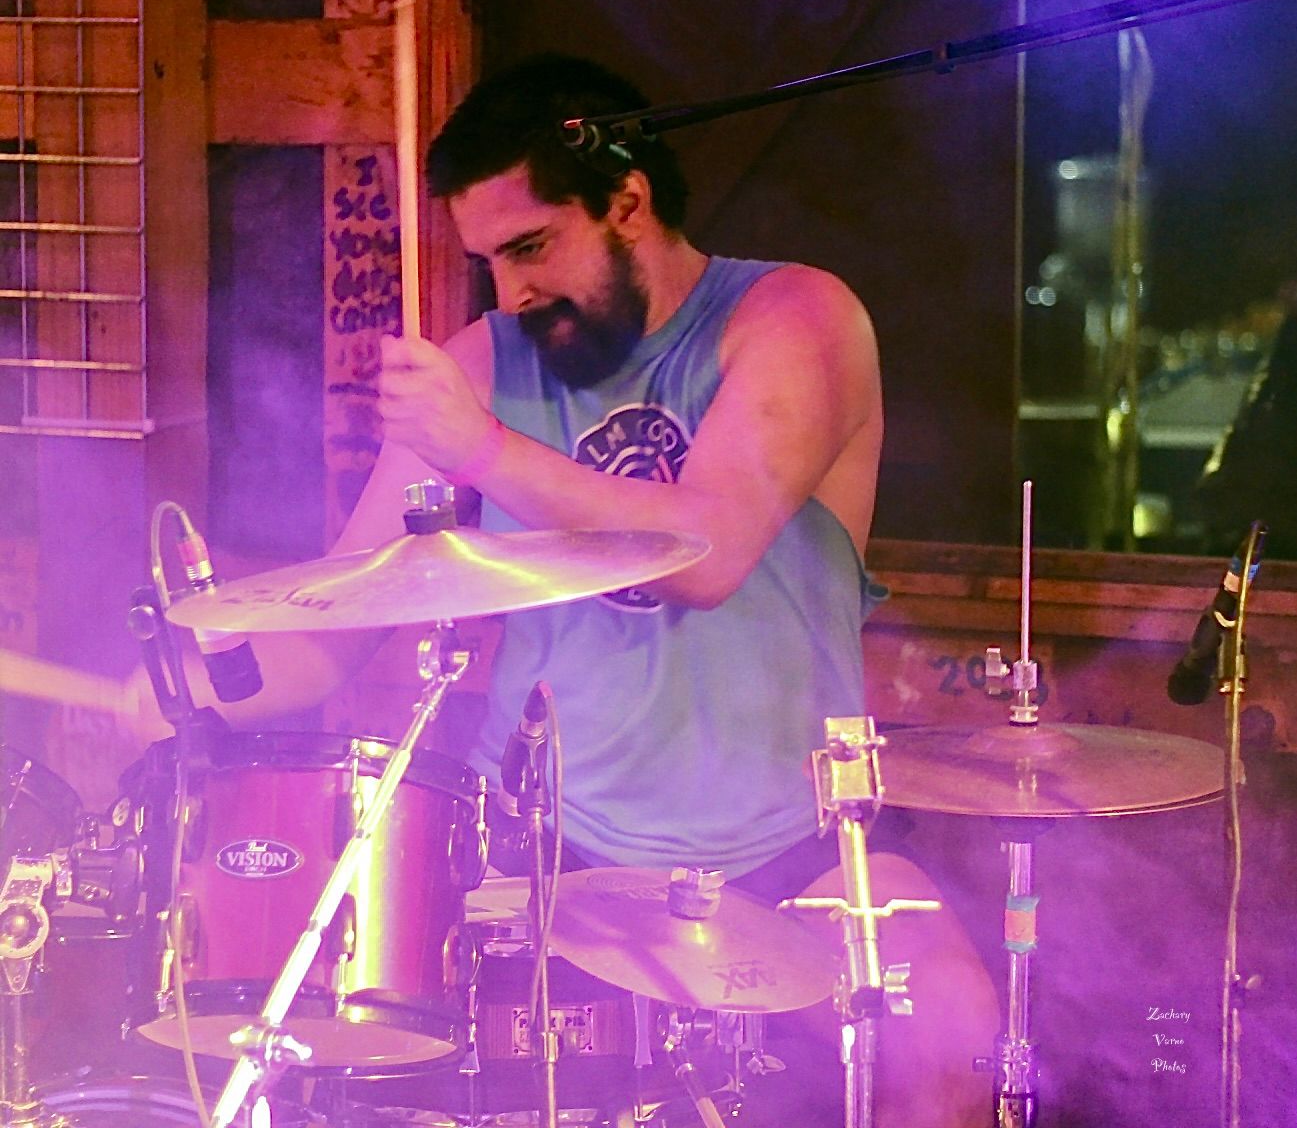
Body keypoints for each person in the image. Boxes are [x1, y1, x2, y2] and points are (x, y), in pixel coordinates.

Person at [138, 54, 997, 1126]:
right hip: (544, 854)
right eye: (487, 261)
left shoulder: (795, 317)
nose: (509, 292)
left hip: (796, 847)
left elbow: (707, 553)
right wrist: (186, 686)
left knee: (953, 1031)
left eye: (530, 247)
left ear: (625, 200)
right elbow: (342, 623)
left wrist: (481, 448)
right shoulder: (483, 365)